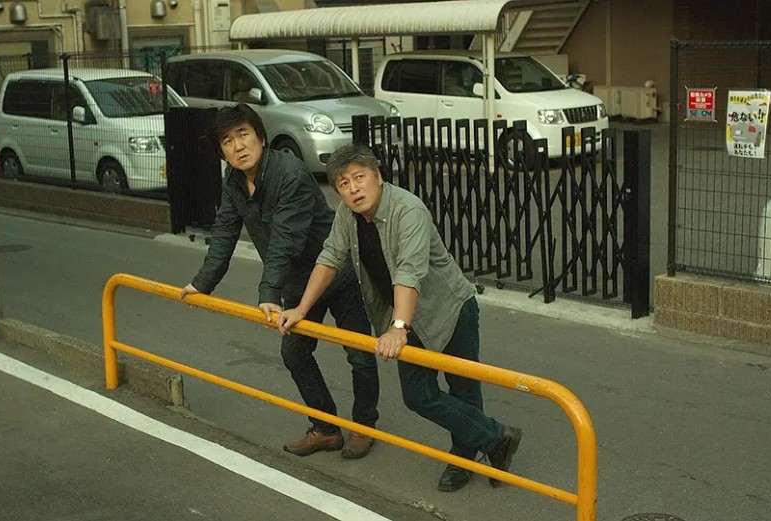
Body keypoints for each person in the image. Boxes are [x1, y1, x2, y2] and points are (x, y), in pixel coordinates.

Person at [277, 144, 523, 492]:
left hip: (448, 309)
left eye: (359, 177)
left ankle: (465, 458)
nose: (354, 188)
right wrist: (301, 309)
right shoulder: (347, 216)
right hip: (405, 318)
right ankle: (498, 437)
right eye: (344, 183)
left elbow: (409, 271)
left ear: (378, 176)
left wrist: (397, 328)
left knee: (464, 388)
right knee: (418, 395)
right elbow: (329, 257)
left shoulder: (409, 210)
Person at [179, 104, 380, 459]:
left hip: (335, 271)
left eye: (243, 134)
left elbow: (286, 239)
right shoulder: (234, 182)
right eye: (228, 141)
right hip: (296, 283)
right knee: (295, 353)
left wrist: (268, 292)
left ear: (261, 137)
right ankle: (326, 428)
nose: (238, 146)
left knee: (359, 353)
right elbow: (224, 232)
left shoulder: (290, 172)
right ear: (221, 152)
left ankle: (364, 426)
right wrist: (201, 284)